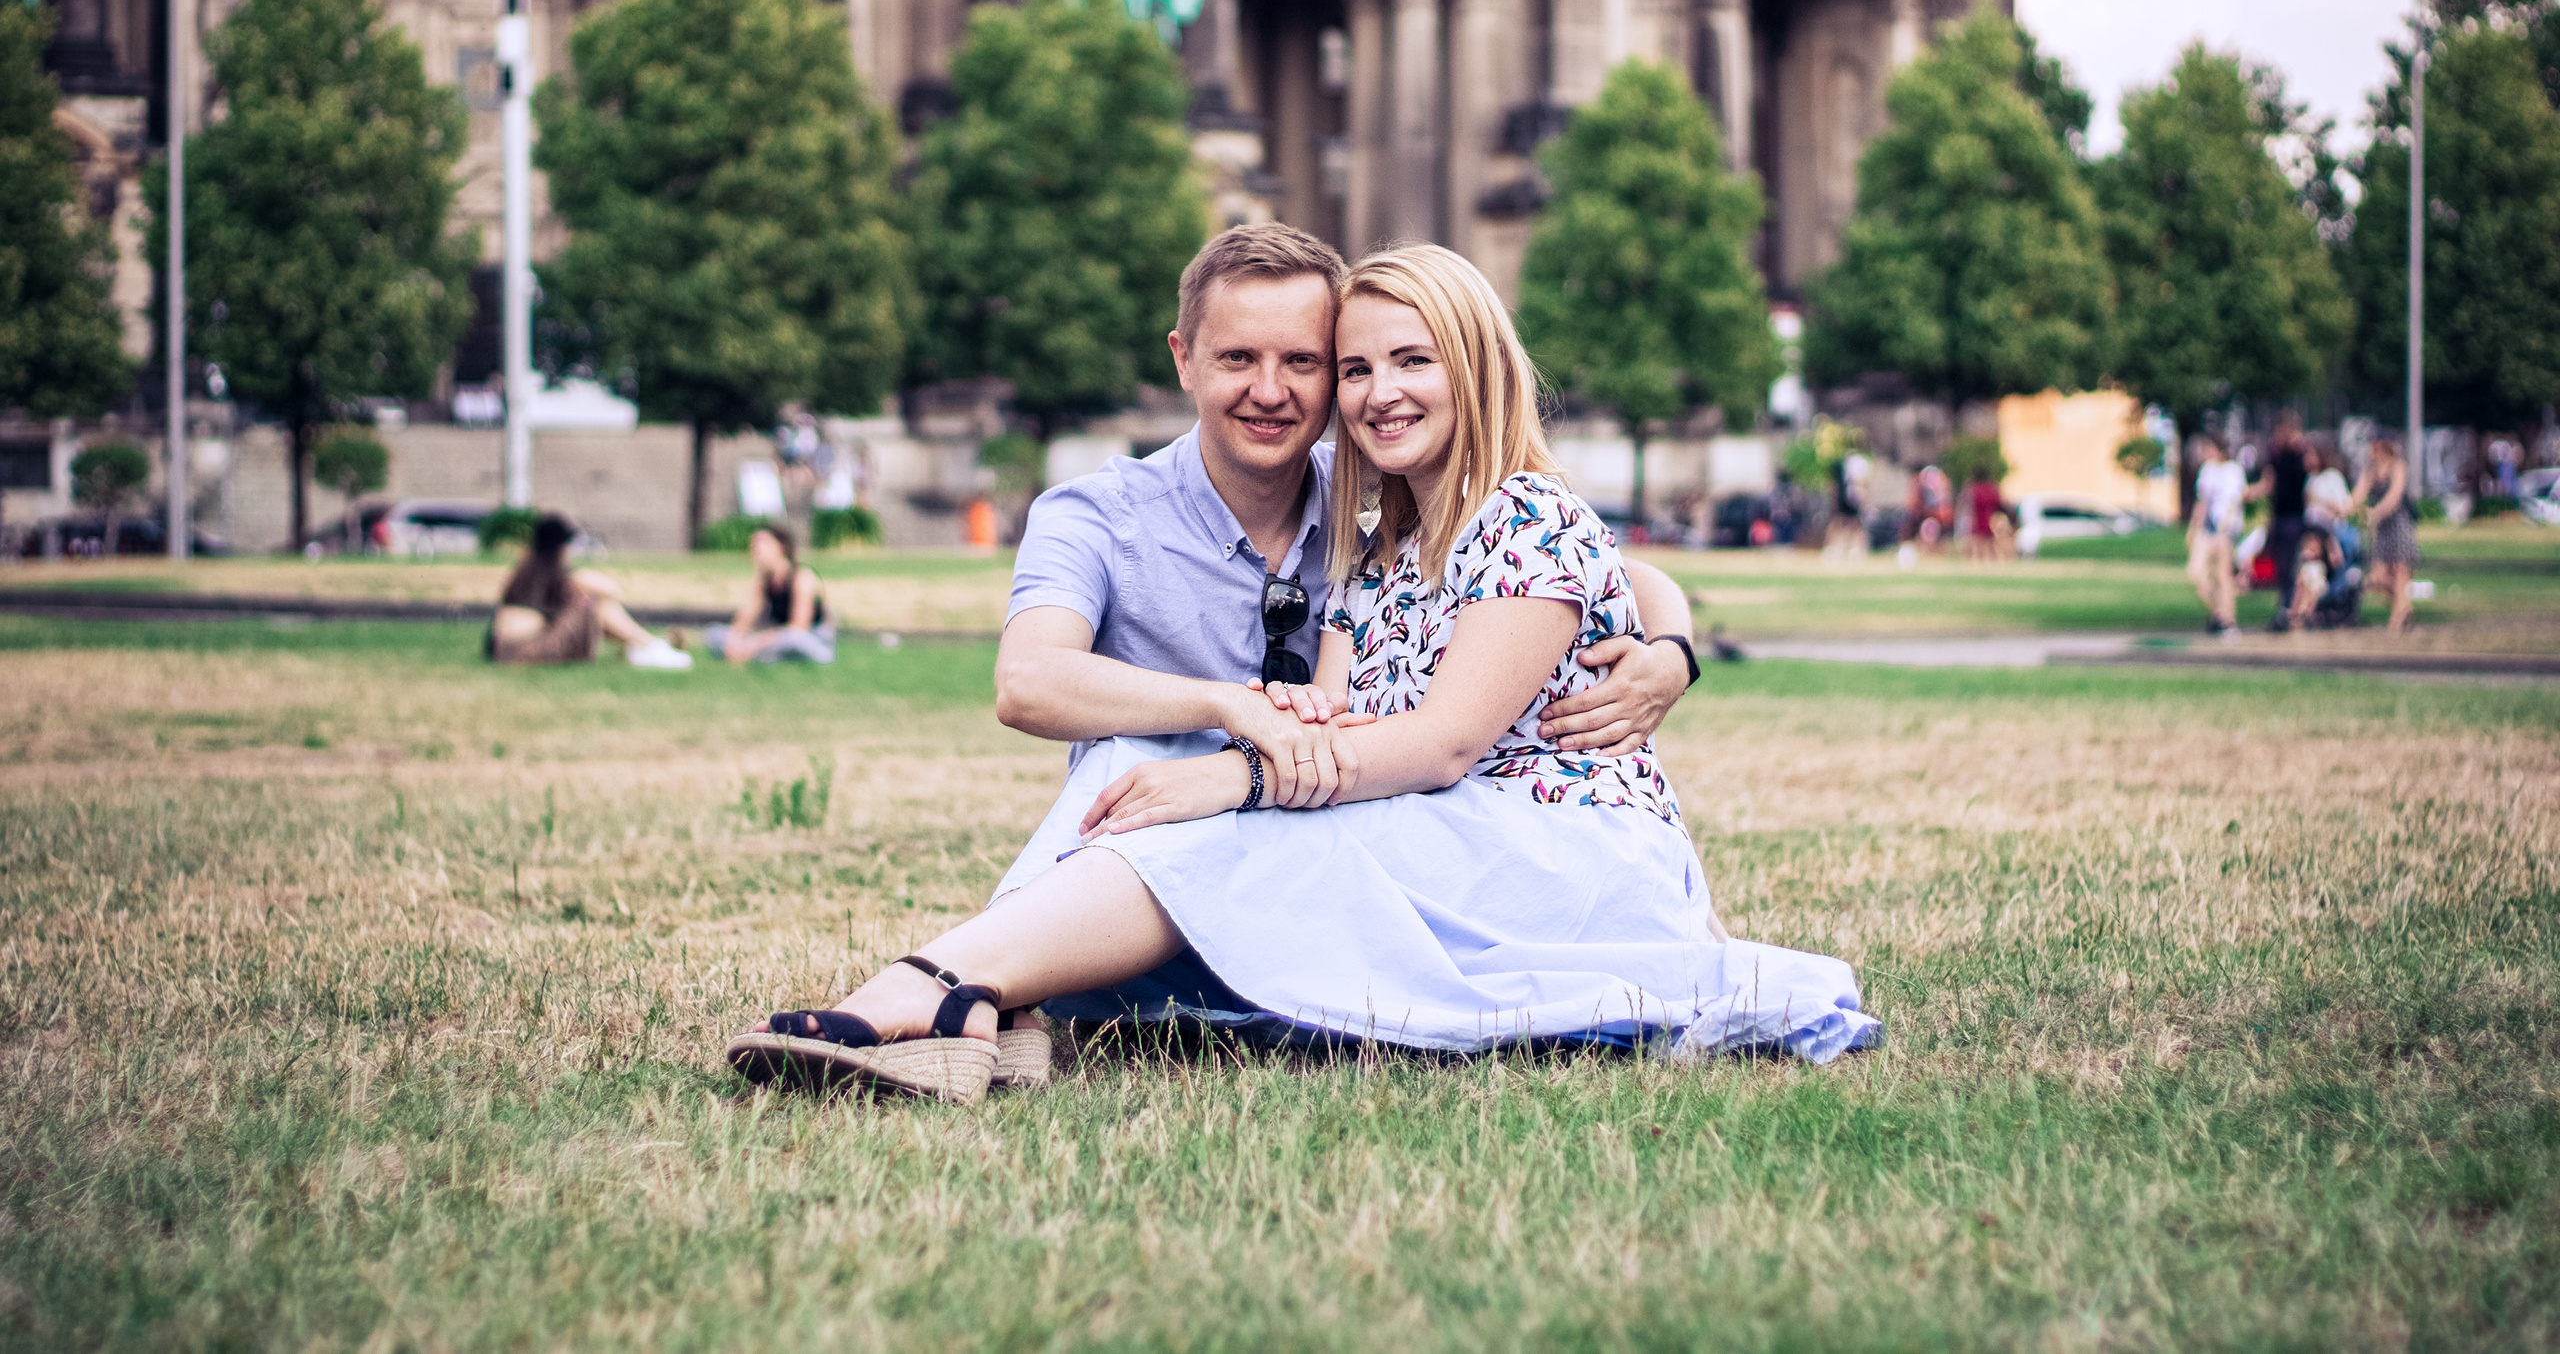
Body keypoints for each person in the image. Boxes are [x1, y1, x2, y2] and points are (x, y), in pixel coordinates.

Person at [723, 241, 1869, 1105]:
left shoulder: (1498, 511)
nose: (1362, 392)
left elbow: (1454, 727)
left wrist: (1668, 653)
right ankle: (979, 1004)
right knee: (1147, 765)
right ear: (1185, 361)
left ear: (1472, 369)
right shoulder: (1358, 537)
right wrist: (1242, 732)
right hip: (1398, 815)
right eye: (1357, 367)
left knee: (1237, 812)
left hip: (1531, 840)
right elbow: (1051, 686)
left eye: (1392, 363)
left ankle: (918, 991)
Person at [489, 513, 692, 667]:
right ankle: (649, 646)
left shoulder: (527, 570)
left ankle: (646, 646)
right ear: (558, 547)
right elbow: (611, 590)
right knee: (595, 605)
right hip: (527, 649)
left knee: (591, 605)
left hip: (513, 648)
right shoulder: (556, 574)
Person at [707, 525, 836, 663]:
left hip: (810, 638)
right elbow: (745, 619)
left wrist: (758, 642)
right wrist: (733, 642)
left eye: (763, 543)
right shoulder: (763, 579)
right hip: (775, 636)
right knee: (713, 634)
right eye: (754, 544)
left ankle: (761, 654)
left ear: (781, 547)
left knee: (793, 639)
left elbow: (799, 626)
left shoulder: (802, 577)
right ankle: (763, 655)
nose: (756, 549)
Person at [2349, 438, 2419, 635]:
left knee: (2400, 571)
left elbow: (2394, 496)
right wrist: (2342, 506)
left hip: (2399, 523)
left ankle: (2396, 623)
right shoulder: (2370, 468)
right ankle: (2405, 606)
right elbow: (2358, 494)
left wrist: (2376, 512)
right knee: (2377, 576)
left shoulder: (2398, 466)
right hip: (2381, 527)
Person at [2248, 413, 2309, 632]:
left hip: (2295, 517)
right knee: (2282, 567)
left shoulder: (2303, 456)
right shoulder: (2276, 458)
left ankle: (2290, 609)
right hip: (2281, 516)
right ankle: (2285, 608)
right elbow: (2268, 483)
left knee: (2291, 565)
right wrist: (2247, 493)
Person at [2188, 435, 2245, 638]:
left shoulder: (2233, 470)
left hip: (2226, 528)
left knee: (2223, 575)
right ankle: (2220, 613)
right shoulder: (2207, 471)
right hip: (2208, 528)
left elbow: (2236, 500)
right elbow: (2202, 502)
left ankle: (2228, 620)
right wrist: (2193, 529)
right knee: (2196, 573)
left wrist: (2228, 528)